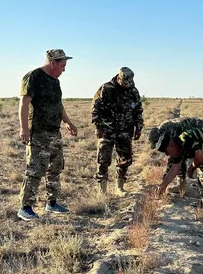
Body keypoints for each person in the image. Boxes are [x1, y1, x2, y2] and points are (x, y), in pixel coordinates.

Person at [17, 49, 78, 221]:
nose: (64, 70)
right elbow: (24, 103)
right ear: (53, 63)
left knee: (55, 168)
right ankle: (25, 207)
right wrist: (24, 129)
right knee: (36, 169)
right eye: (62, 65)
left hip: (54, 132)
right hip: (38, 133)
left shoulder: (55, 81)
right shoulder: (33, 77)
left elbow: (59, 105)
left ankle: (52, 203)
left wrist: (67, 122)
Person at [153, 121, 203, 209]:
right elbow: (175, 167)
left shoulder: (186, 141)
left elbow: (200, 159)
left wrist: (191, 168)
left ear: (171, 147)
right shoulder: (177, 148)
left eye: (166, 152)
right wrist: (163, 185)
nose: (168, 155)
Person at [91, 67, 143, 193]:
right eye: (125, 84)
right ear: (119, 78)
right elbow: (95, 109)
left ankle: (119, 187)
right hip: (107, 130)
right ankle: (102, 191)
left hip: (125, 131)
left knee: (125, 159)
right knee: (103, 160)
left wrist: (138, 127)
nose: (127, 86)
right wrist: (98, 127)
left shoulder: (133, 91)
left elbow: (138, 111)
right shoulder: (106, 89)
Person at [149, 117, 203, 196]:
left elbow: (176, 164)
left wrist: (164, 184)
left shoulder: (174, 133)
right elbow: (174, 161)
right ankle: (181, 187)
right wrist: (164, 183)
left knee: (200, 162)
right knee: (177, 157)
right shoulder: (165, 133)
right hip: (190, 135)